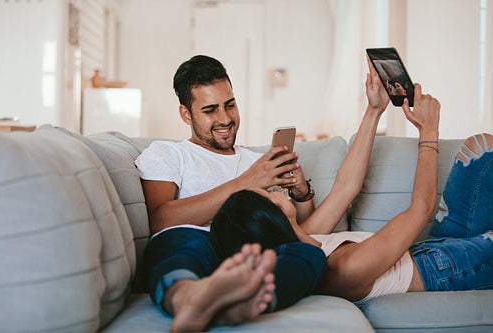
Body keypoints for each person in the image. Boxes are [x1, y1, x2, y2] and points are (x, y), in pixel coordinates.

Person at [211, 54, 493, 305]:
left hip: (432, 246)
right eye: (268, 197)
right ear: (269, 220)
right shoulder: (345, 268)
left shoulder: (306, 235)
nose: (274, 192)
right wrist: (428, 129)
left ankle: (467, 235)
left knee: (482, 147)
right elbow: (420, 209)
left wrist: (374, 109)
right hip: (442, 268)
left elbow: (347, 187)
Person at [135, 55, 328, 332]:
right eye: (210, 110)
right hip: (196, 240)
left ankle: (243, 304)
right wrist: (248, 181)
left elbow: (298, 227)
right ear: (186, 114)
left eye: (230, 105)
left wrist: (301, 194)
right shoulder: (168, 153)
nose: (225, 118)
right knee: (186, 244)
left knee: (310, 256)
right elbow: (160, 219)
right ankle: (189, 299)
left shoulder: (258, 162)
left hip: (253, 248)